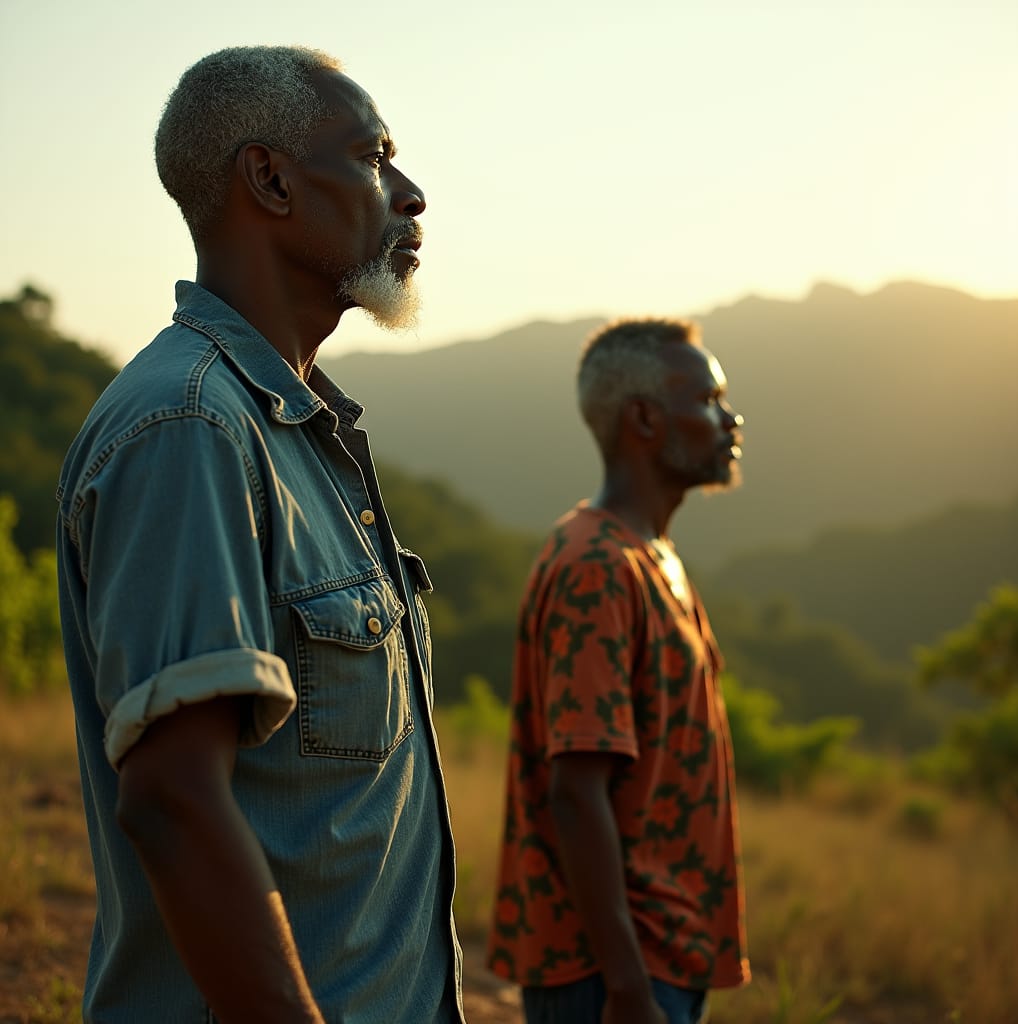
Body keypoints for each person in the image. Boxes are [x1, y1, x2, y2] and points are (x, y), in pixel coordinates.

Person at [56, 46, 464, 1024]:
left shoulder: (295, 429)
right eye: (375, 156)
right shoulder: (191, 430)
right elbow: (173, 800)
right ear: (270, 178)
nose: (411, 195)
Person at [487, 318, 750, 1023]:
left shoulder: (650, 554)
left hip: (659, 955)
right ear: (643, 418)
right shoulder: (595, 566)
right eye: (710, 400)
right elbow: (576, 791)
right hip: (607, 973)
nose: (731, 419)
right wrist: (628, 987)